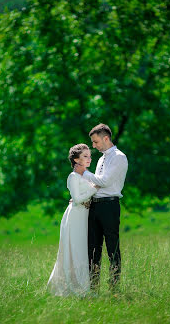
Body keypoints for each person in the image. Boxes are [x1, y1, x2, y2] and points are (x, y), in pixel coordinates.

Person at [75, 124, 128, 292]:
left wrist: (83, 171)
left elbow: (104, 182)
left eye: (96, 141)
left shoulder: (119, 157)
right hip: (95, 206)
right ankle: (93, 288)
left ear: (106, 138)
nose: (94, 146)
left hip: (110, 206)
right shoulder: (100, 159)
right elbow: (95, 184)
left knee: (112, 247)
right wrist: (81, 196)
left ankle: (114, 287)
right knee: (92, 248)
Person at [47, 144, 99, 296]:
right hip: (76, 215)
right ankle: (79, 288)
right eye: (85, 156)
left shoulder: (87, 175)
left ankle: (84, 286)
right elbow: (76, 199)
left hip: (85, 215)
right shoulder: (73, 177)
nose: (89, 158)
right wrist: (94, 188)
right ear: (76, 160)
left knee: (83, 249)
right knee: (76, 249)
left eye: (89, 156)